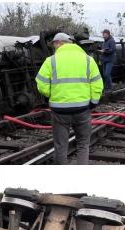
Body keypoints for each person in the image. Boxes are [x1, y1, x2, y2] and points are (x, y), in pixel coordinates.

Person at [35, 32, 103, 165]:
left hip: (59, 110)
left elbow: (41, 84)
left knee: (60, 146)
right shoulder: (88, 60)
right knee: (83, 144)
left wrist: (52, 95)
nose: (54, 47)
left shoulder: (51, 61)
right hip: (82, 109)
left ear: (60, 43)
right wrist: (93, 102)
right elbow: (97, 84)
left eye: (54, 44)